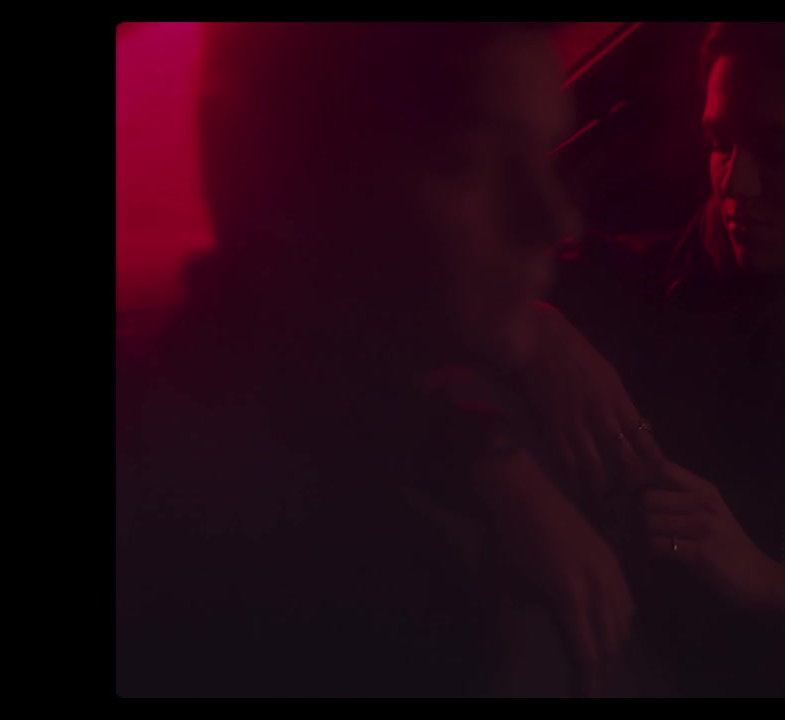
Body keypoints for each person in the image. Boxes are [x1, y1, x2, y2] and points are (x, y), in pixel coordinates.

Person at [115, 22, 635, 697]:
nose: (557, 218)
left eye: (542, 153)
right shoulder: (333, 596)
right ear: (282, 174)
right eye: (467, 159)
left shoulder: (266, 397)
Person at [512, 22, 785, 696]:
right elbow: (411, 310)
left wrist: (767, 583)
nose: (736, 182)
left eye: (779, 149)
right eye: (719, 142)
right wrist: (537, 331)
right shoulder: (628, 285)